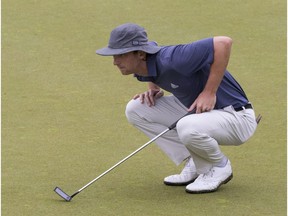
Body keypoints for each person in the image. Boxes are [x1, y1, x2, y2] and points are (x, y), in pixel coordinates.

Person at [96, 23, 258, 193]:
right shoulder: (143, 65)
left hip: (237, 117)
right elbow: (153, 55)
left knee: (186, 125)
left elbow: (223, 43)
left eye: (121, 54)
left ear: (141, 53)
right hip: (201, 112)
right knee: (136, 109)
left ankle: (218, 166)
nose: (115, 62)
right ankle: (194, 161)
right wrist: (153, 89)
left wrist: (209, 92)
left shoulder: (173, 58)